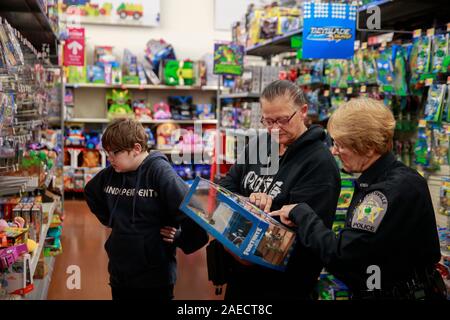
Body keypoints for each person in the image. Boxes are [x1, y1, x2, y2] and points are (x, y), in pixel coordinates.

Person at [271, 98, 447, 300]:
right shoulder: (398, 179)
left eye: (340, 144)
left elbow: (343, 256)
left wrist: (301, 213)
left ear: (369, 147)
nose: (334, 151)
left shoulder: (385, 193)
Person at [216, 80, 341, 300]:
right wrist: (249, 203)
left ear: (302, 111)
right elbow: (227, 185)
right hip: (241, 277)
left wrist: (262, 210)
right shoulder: (259, 144)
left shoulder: (319, 163)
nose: (275, 128)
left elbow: (303, 231)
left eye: (282, 120)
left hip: (283, 286)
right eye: (268, 120)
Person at [84, 118, 208, 300]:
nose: (109, 159)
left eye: (114, 153)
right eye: (107, 153)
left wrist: (181, 238)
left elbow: (195, 211)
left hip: (155, 278)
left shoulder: (159, 172)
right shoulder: (112, 173)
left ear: (136, 149)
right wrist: (112, 220)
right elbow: (91, 192)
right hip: (120, 273)